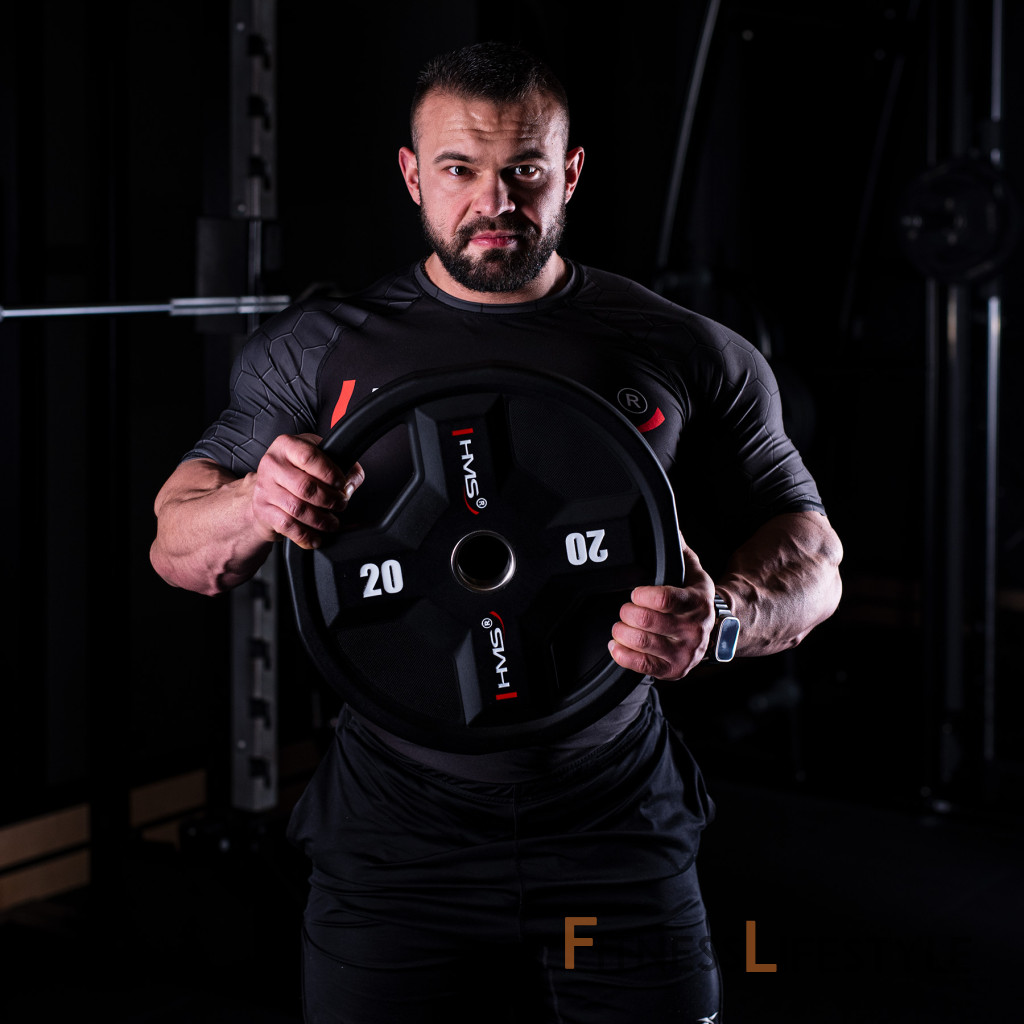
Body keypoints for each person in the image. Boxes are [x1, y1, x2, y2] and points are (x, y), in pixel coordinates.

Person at [151, 41, 842, 1024]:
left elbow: (815, 558)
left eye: (524, 170)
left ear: (569, 172)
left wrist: (724, 617)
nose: (494, 200)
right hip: (395, 837)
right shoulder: (317, 349)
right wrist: (257, 500)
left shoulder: (683, 348)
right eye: (458, 169)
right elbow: (177, 547)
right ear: (411, 175)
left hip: (612, 820)